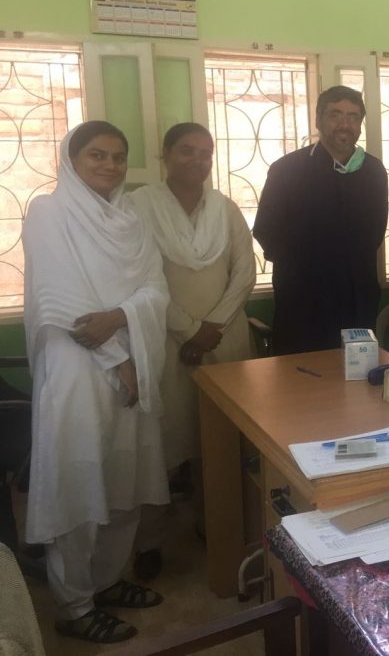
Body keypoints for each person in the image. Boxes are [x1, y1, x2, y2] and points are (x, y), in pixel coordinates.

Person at [22, 121, 170, 643]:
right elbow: (61, 301)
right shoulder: (49, 212)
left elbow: (155, 287)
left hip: (132, 357)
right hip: (76, 369)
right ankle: (75, 606)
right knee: (78, 479)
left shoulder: (130, 218)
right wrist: (119, 358)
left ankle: (105, 580)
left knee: (125, 478)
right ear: (72, 159)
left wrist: (122, 318)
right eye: (96, 155)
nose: (109, 165)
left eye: (118, 156)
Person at [127, 124, 255, 577]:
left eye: (205, 152)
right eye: (186, 151)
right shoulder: (138, 207)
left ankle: (213, 523)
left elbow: (245, 271)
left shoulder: (224, 208)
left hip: (224, 339)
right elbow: (140, 278)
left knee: (218, 441)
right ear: (165, 154)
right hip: (165, 342)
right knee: (161, 444)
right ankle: (149, 541)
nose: (197, 160)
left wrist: (212, 327)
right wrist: (188, 331)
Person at [254, 85, 388, 354]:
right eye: (335, 115)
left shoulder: (373, 171)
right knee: (301, 373)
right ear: (318, 120)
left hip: (357, 297)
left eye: (353, 117)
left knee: (356, 373)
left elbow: (375, 233)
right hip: (303, 298)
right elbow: (266, 230)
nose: (344, 124)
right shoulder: (287, 170)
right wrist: (307, 264)